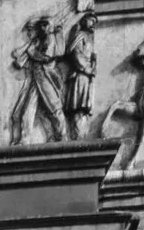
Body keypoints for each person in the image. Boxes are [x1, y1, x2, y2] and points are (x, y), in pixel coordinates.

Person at [9, 15, 67, 144]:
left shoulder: (51, 38)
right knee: (29, 109)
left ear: (50, 26)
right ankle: (25, 139)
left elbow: (46, 57)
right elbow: (20, 57)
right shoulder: (39, 40)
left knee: (54, 108)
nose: (42, 28)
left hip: (47, 78)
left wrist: (31, 52)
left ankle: (62, 136)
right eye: (41, 25)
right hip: (37, 78)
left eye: (45, 25)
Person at [61, 11, 97, 140]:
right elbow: (75, 54)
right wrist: (87, 69)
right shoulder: (80, 35)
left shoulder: (88, 38)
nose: (93, 23)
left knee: (83, 106)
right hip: (79, 75)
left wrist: (93, 63)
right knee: (78, 105)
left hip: (86, 75)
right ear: (83, 21)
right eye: (90, 20)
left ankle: (81, 134)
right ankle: (77, 135)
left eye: (94, 22)